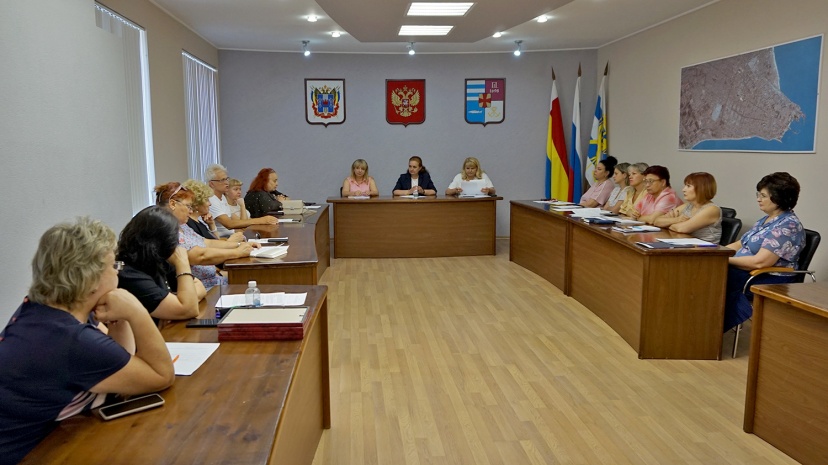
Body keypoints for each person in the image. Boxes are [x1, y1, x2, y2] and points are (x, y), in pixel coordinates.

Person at [0, 217, 174, 463]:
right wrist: (137, 312)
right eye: (113, 266)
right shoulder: (70, 339)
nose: (118, 271)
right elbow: (161, 375)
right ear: (91, 279)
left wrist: (120, 317)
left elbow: (118, 369)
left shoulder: (42, 310)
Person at [722, 172, 805, 331]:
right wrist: (715, 252)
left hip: (767, 277)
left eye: (763, 196)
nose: (758, 199)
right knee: (709, 272)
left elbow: (760, 262)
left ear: (779, 198)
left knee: (714, 279)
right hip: (746, 271)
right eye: (758, 194)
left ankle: (708, 330)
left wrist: (724, 260)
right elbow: (740, 243)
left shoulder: (788, 225)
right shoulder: (766, 220)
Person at [156, 182, 258, 289]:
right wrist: (237, 252)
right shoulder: (167, 231)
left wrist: (239, 245)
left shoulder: (182, 226)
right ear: (172, 204)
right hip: (201, 288)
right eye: (188, 206)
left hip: (212, 281)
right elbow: (200, 256)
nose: (191, 211)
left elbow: (207, 243)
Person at [117, 206, 207, 320]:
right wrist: (182, 262)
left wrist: (182, 300)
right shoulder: (128, 274)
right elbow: (189, 309)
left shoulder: (156, 259)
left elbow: (200, 287)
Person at [205, 163, 276, 237]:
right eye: (222, 180)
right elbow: (229, 224)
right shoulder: (211, 200)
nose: (226, 182)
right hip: (224, 239)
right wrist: (261, 220)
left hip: (233, 235)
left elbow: (237, 222)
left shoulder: (222, 197)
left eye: (227, 179)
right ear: (212, 184)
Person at [654, 172, 722, 243]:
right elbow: (657, 221)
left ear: (701, 188)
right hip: (684, 245)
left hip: (704, 248)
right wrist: (677, 220)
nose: (683, 189)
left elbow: (681, 228)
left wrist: (666, 224)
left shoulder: (712, 209)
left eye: (688, 186)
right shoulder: (688, 205)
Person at [182, 179, 247, 243]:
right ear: (196, 203)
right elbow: (206, 247)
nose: (210, 204)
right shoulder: (190, 225)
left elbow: (216, 242)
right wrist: (230, 241)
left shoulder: (200, 223)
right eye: (207, 200)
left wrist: (212, 225)